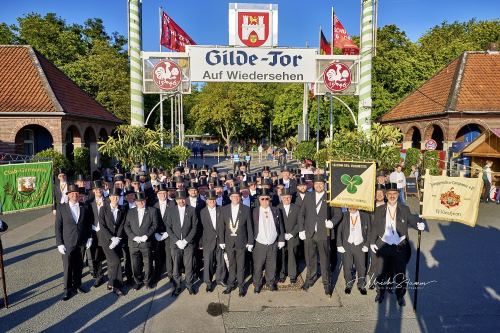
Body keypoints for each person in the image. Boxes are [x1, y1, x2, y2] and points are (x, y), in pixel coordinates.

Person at [369, 183, 425, 306]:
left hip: (400, 246)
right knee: (381, 272)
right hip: (384, 244)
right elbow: (375, 227)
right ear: (386, 195)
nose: (392, 196)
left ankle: (400, 296)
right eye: (390, 194)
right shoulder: (379, 210)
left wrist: (418, 224)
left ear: (398, 195)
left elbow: (411, 219)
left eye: (395, 194)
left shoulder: (404, 209)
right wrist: (372, 241)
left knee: (400, 273)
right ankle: (380, 292)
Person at [298, 174, 340, 295]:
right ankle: (310, 279)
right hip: (309, 233)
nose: (318, 186)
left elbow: (338, 214)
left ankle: (327, 283)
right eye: (316, 184)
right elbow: (301, 214)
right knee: (310, 258)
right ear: (313, 185)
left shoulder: (330, 197)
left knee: (325, 259)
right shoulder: (308, 196)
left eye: (321, 184)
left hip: (323, 233)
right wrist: (301, 230)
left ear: (324, 185)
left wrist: (332, 222)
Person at [55, 184, 93, 301]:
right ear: (68, 195)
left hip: (81, 241)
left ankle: (78, 284)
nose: (74, 195)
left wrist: (89, 238)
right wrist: (59, 243)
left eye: (76, 193)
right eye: (72, 194)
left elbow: (87, 224)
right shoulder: (62, 208)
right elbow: (58, 227)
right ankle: (67, 289)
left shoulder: (84, 206)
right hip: (67, 242)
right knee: (67, 266)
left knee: (79, 265)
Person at [219, 187, 254, 297]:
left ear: (240, 198)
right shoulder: (224, 209)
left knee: (241, 265)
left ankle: (241, 286)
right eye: (233, 196)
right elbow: (221, 227)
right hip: (229, 242)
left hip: (241, 242)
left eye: (237, 196)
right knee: (231, 264)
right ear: (230, 198)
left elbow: (249, 227)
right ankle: (230, 284)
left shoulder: (246, 209)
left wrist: (250, 241)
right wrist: (221, 240)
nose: (235, 198)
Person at [165, 189, 199, 296]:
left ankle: (189, 285)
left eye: (183, 199)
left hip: (188, 243)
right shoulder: (171, 210)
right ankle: (177, 286)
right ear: (176, 200)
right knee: (176, 266)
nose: (181, 201)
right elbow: (168, 228)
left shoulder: (192, 210)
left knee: (188, 266)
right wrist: (176, 240)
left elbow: (194, 227)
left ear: (186, 199)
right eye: (179, 199)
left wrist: (186, 240)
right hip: (175, 244)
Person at [123, 192, 159, 290]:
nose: (141, 203)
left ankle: (147, 281)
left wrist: (146, 236)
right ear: (135, 202)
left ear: (145, 200)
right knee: (135, 264)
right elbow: (126, 225)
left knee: (148, 263)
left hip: (146, 242)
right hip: (133, 243)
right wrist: (133, 237)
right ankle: (137, 281)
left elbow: (155, 225)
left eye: (142, 201)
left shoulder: (152, 210)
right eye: (138, 201)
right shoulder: (130, 212)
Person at [252, 189, 285, 293]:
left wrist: (281, 239)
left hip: (272, 243)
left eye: (267, 199)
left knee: (271, 264)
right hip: (260, 243)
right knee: (258, 266)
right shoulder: (254, 211)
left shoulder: (275, 210)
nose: (265, 201)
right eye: (262, 199)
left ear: (270, 199)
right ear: (259, 200)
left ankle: (270, 282)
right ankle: (257, 284)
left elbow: (280, 226)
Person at [97, 187, 126, 296]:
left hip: (117, 240)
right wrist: (111, 238)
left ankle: (110, 282)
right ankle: (117, 286)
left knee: (111, 263)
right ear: (109, 197)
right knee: (116, 261)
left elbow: (121, 225)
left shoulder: (122, 209)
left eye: (117, 197)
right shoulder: (103, 209)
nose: (115, 198)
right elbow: (102, 226)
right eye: (113, 196)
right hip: (106, 240)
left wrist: (117, 238)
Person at [336, 207, 370, 295]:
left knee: (361, 267)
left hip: (360, 245)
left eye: (353, 205)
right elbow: (339, 230)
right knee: (347, 266)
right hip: (347, 245)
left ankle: (361, 285)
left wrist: (367, 244)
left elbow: (370, 231)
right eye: (349, 205)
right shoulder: (344, 215)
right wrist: (339, 244)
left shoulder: (365, 216)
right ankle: (348, 284)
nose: (350, 207)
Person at [199, 190, 226, 292]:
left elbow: (225, 226)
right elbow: (201, 228)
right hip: (207, 241)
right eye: (210, 200)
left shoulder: (221, 210)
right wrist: (201, 242)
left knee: (221, 262)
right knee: (208, 263)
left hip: (220, 240)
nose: (212, 202)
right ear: (206, 201)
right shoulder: (202, 212)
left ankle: (220, 279)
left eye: (214, 200)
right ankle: (208, 282)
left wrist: (224, 240)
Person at [277, 188, 300, 284]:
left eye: (289, 197)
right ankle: (282, 274)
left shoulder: (296, 208)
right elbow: (276, 224)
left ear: (291, 198)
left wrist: (292, 233)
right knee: (281, 256)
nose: (287, 199)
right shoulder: (277, 208)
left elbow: (300, 223)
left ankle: (292, 275)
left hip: (292, 237)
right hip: (282, 237)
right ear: (281, 198)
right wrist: (282, 235)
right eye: (285, 197)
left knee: (292, 256)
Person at [87, 180, 107, 288]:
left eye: (100, 189)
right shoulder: (89, 202)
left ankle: (113, 276)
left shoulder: (108, 201)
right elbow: (87, 219)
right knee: (96, 255)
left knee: (108, 254)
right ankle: (99, 276)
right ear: (93, 191)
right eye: (96, 189)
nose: (98, 191)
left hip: (105, 232)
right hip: (94, 232)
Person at [153, 184, 174, 283]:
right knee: (158, 254)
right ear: (157, 195)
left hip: (168, 234)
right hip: (157, 234)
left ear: (167, 193)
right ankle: (157, 274)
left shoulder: (173, 204)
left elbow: (175, 220)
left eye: (165, 193)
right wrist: (155, 233)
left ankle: (170, 274)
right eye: (160, 193)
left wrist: (168, 232)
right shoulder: (153, 205)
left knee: (169, 254)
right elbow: (151, 221)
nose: (163, 195)